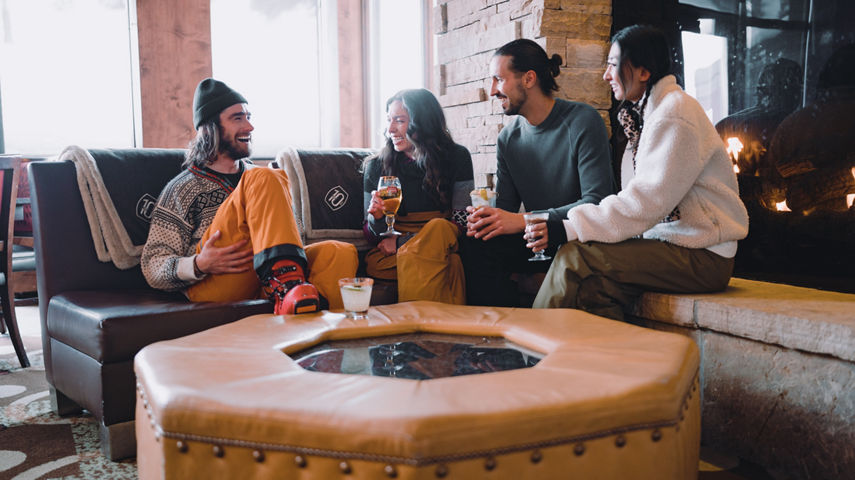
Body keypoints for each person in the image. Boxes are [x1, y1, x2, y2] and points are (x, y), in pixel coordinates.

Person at [531, 25, 749, 321]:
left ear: (644, 72)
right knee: (594, 289)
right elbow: (643, 203)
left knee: (576, 256)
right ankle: (608, 362)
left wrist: (569, 227)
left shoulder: (674, 114)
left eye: (612, 64)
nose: (606, 75)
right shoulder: (646, 115)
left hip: (704, 255)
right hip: (672, 245)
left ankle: (530, 353)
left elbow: (645, 202)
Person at [142, 78, 357, 315]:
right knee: (264, 177)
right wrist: (198, 263)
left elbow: (293, 237)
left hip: (265, 279)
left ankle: (318, 328)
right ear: (211, 127)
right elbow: (152, 265)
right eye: (237, 118)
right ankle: (288, 288)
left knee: (340, 252)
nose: (249, 127)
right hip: (215, 282)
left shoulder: (264, 181)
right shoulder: (183, 188)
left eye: (248, 117)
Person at [463, 38, 615, 307]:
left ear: (529, 79)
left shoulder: (583, 121)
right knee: (476, 243)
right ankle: (496, 340)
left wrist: (524, 220)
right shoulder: (508, 138)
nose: (492, 91)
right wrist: (486, 218)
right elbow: (508, 209)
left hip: (574, 236)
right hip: (536, 241)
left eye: (499, 79)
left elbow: (598, 201)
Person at [362, 88, 473, 304]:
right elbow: (371, 234)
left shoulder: (457, 157)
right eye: (389, 121)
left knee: (438, 228)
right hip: (392, 254)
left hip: (440, 241)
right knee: (447, 263)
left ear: (423, 122)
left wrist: (403, 243)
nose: (391, 129)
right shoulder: (375, 166)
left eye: (400, 120)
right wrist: (375, 219)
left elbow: (461, 220)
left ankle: (414, 324)